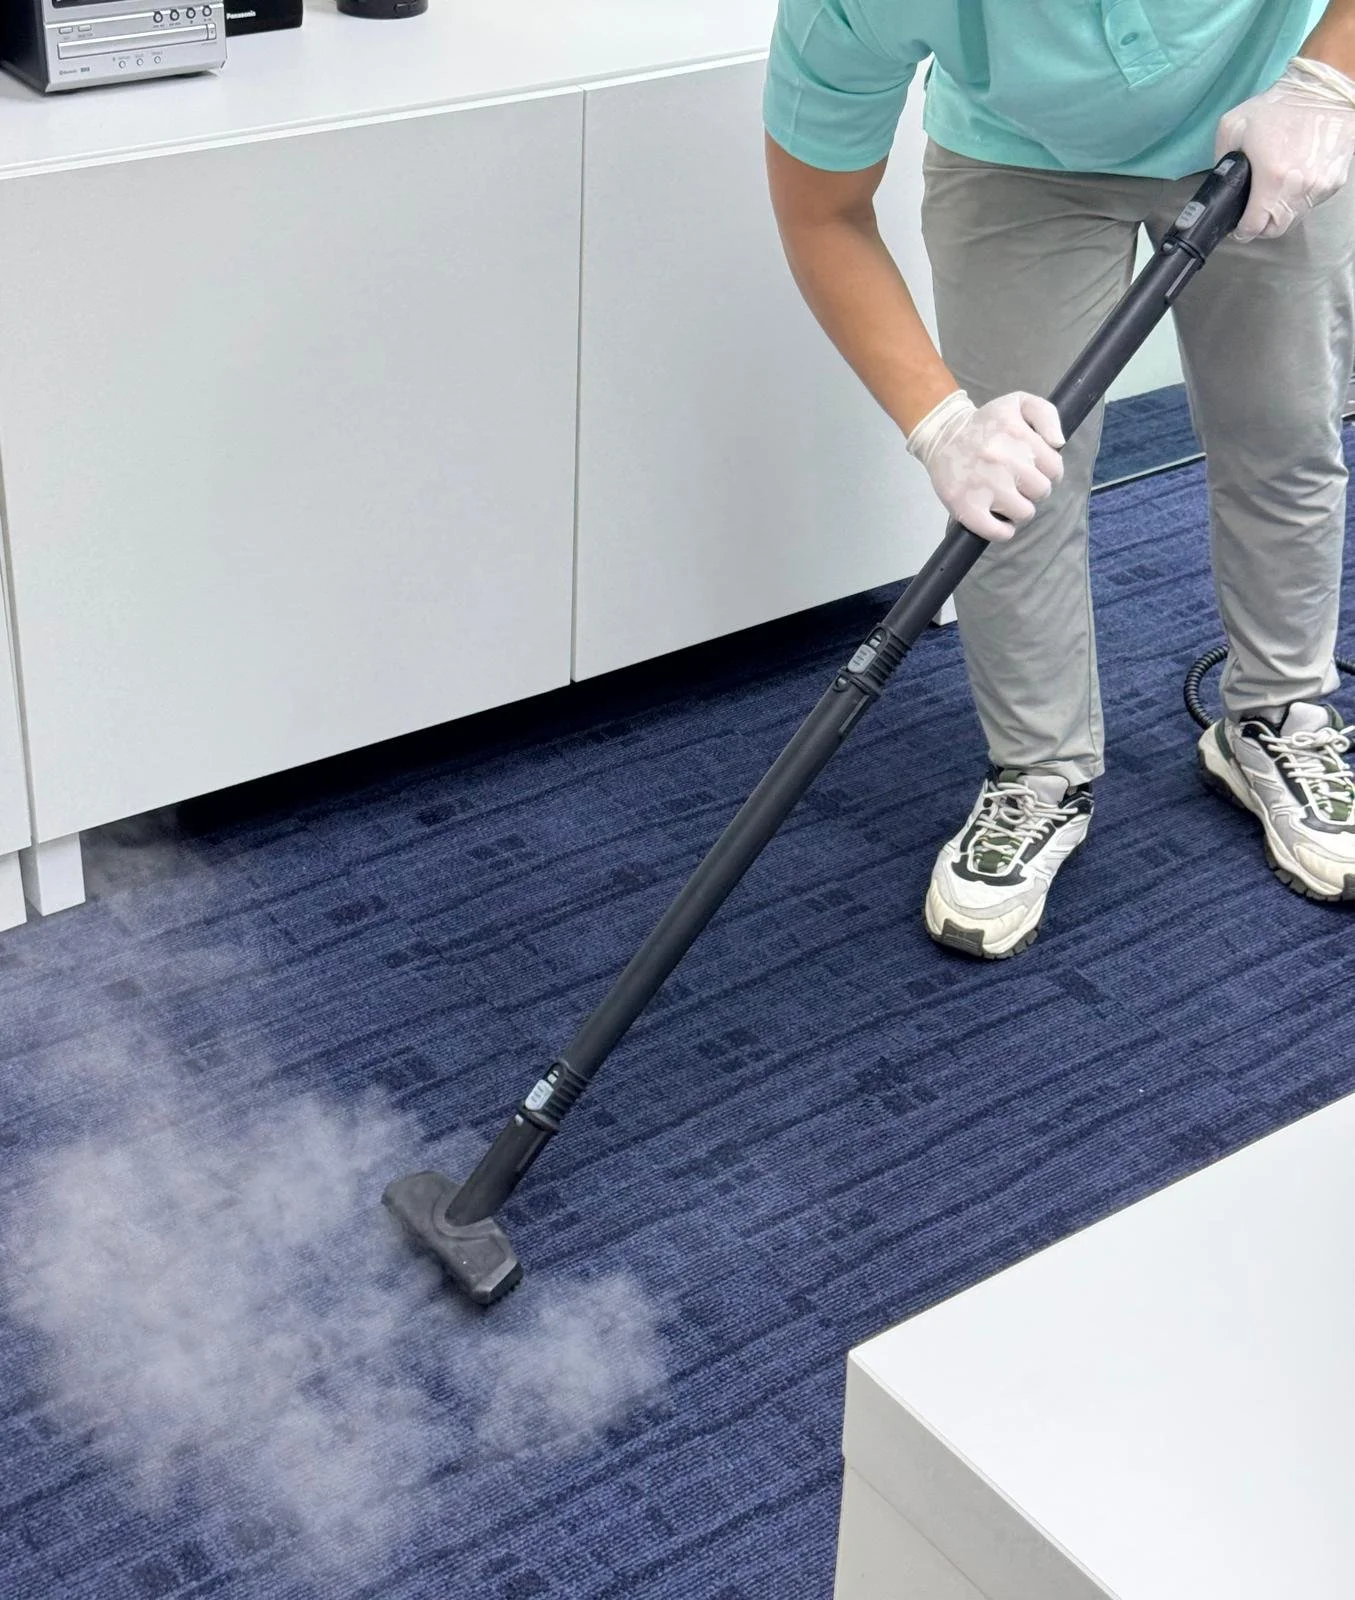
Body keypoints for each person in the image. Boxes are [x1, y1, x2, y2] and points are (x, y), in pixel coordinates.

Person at [764, 1, 1355, 958]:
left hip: (1269, 109)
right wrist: (940, 425)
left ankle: (1280, 715)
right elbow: (819, 210)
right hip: (1016, 164)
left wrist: (1329, 77)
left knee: (1281, 432)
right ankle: (1038, 772)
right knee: (1009, 491)